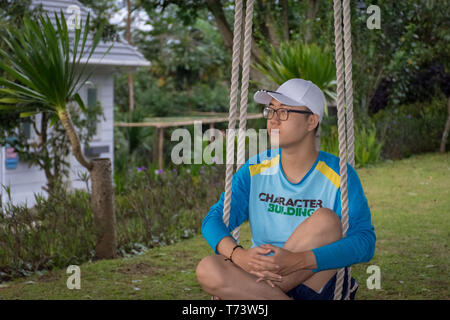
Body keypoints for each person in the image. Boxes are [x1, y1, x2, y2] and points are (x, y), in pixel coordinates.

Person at [196, 78, 376, 300]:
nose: (273, 120)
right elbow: (212, 220)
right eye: (271, 111)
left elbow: (365, 242)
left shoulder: (340, 175)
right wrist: (239, 256)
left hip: (313, 278)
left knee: (326, 221)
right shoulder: (255, 170)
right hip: (261, 279)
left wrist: (299, 260)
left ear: (311, 122)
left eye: (283, 113)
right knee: (208, 268)